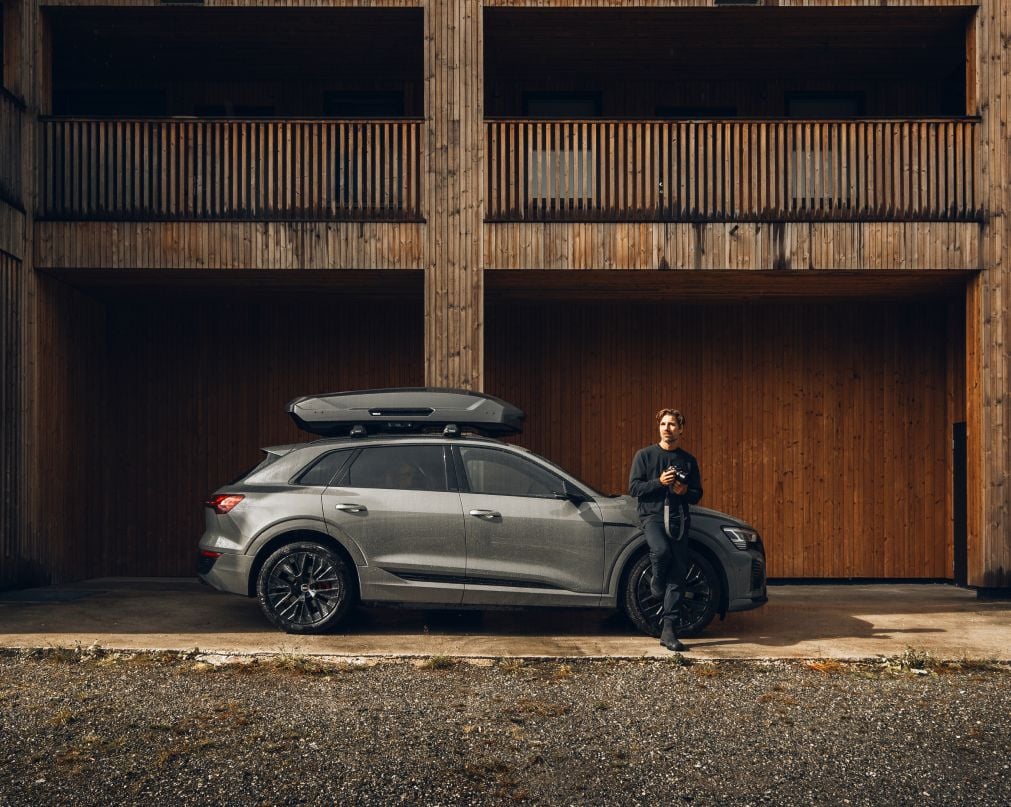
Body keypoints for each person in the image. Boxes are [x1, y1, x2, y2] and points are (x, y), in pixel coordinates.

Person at [628, 408, 703, 652]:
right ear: (658, 427)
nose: (667, 428)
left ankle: (668, 630)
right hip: (652, 516)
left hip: (679, 518)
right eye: (664, 424)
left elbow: (697, 494)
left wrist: (684, 491)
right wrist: (659, 483)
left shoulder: (688, 460)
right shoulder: (645, 456)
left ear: (681, 429)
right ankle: (656, 583)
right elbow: (634, 488)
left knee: (679, 572)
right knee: (660, 552)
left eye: (672, 425)